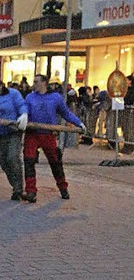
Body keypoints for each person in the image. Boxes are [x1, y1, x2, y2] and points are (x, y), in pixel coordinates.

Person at [23, 73, 86, 203]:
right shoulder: (30, 97)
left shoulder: (55, 98)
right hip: (32, 133)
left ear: (44, 83)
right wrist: (23, 116)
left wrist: (78, 123)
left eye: (36, 82)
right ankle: (31, 191)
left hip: (48, 134)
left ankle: (63, 187)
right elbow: (25, 110)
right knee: (29, 161)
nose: (33, 84)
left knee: (55, 161)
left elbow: (66, 113)